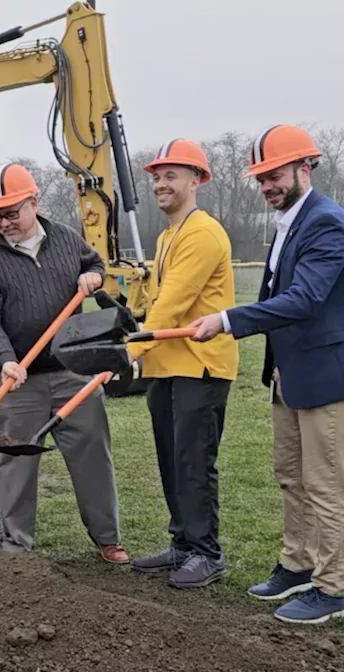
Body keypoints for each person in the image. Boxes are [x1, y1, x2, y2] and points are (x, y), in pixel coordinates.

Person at [190, 125, 344, 624]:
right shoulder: (287, 223)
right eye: (260, 178)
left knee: (326, 484)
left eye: (273, 175)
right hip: (289, 375)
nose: (266, 186)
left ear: (305, 168)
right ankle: (298, 565)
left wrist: (228, 320)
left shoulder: (326, 222)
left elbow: (304, 300)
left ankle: (335, 585)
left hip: (326, 378)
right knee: (290, 477)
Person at [0, 162, 127, 563]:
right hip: (15, 382)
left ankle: (107, 538)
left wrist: (92, 275)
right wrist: (6, 360)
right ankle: (15, 546)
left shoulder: (67, 239)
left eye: (11, 213)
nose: (3, 223)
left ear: (34, 203)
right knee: (14, 463)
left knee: (92, 454)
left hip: (72, 372)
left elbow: (94, 263)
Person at [121, 140, 237, 589]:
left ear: (196, 180)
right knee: (171, 459)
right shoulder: (168, 235)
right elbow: (155, 301)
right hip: (166, 366)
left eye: (171, 175)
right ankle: (183, 543)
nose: (160, 184)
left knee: (193, 461)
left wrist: (127, 353)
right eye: (156, 176)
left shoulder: (202, 233)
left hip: (200, 366)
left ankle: (207, 551)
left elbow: (171, 306)